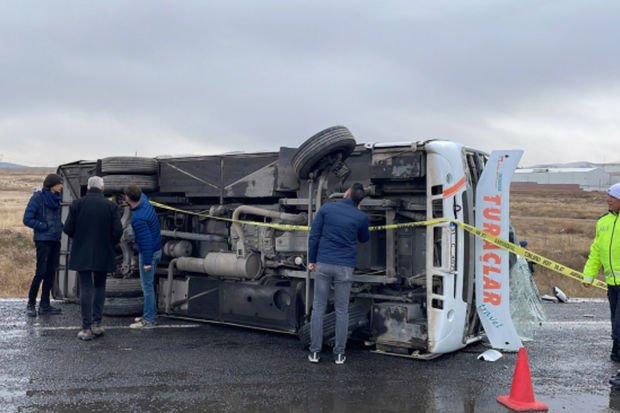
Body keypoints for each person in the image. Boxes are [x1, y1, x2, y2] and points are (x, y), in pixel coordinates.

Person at [307, 182, 370, 365]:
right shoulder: (360, 216)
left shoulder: (327, 209)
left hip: (324, 263)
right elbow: (364, 238)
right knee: (342, 310)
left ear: (346, 194)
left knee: (318, 307)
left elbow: (314, 235)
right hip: (345, 267)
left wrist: (312, 260)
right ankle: (339, 354)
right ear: (358, 201)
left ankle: (315, 352)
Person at [63, 176, 123, 341]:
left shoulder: (77, 204)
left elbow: (67, 228)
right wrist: (110, 243)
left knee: (86, 287)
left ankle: (86, 328)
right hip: (104, 251)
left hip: (82, 251)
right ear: (102, 188)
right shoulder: (111, 206)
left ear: (88, 188)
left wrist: (78, 238)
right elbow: (118, 231)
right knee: (100, 286)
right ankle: (97, 323)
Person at [583, 183, 620, 361]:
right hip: (612, 284)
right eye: (608, 196)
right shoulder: (603, 222)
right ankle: (617, 351)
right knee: (614, 319)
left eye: (613, 197)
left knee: (619, 322)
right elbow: (596, 251)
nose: (609, 200)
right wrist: (588, 276)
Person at [23, 173, 64, 317]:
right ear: (53, 184)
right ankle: (31, 304)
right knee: (41, 272)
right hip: (42, 240)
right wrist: (43, 226)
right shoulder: (37, 198)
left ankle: (45, 305)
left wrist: (62, 228)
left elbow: (56, 219)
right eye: (60, 183)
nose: (62, 186)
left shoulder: (57, 199)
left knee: (51, 272)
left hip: (55, 240)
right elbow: (27, 219)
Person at [124, 184, 162, 329]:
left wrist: (147, 262)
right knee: (149, 285)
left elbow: (146, 242)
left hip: (149, 254)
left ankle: (149, 320)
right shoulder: (144, 201)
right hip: (157, 250)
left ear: (128, 199)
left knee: (147, 287)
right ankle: (149, 313)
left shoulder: (138, 219)